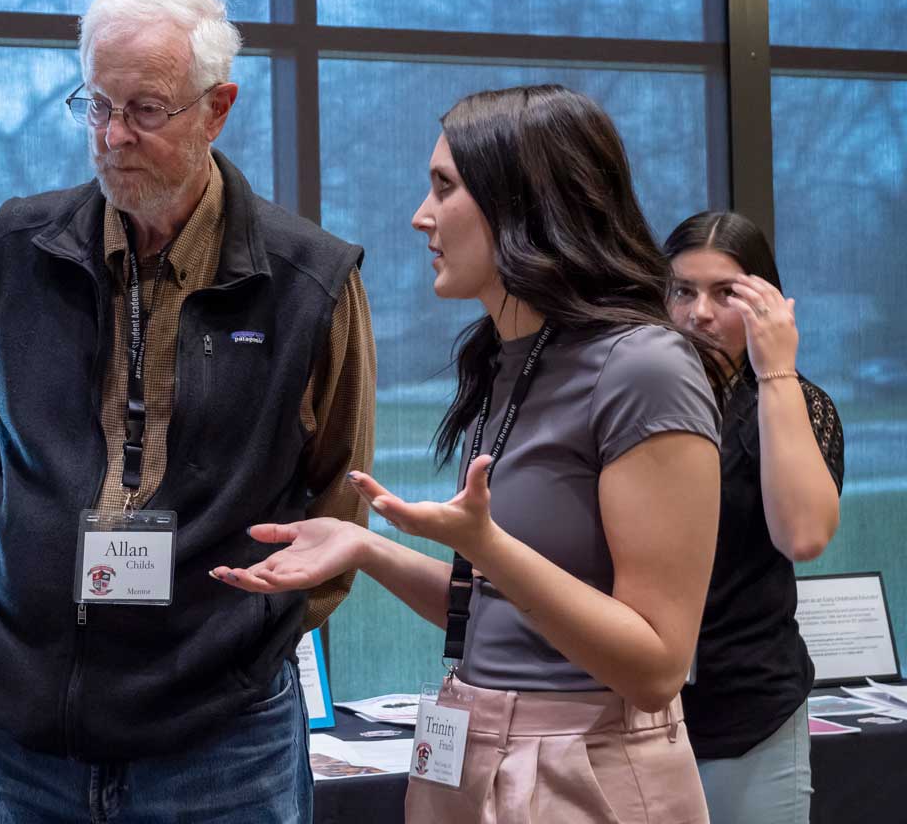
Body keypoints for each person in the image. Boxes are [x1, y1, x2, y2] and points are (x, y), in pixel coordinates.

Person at [0, 0, 376, 824]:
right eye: (96, 106)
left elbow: (339, 494)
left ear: (217, 109)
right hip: (16, 740)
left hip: (220, 746)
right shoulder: (14, 250)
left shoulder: (308, 281)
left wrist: (245, 644)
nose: (112, 136)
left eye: (145, 110)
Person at [214, 84, 724, 823]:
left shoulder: (644, 366)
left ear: (527, 201)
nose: (421, 216)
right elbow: (498, 608)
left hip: (585, 769)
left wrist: (486, 545)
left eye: (445, 187)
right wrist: (367, 547)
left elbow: (656, 666)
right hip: (473, 746)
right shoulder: (507, 357)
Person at [664, 211, 843, 824]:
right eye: (682, 291)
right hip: (635, 706)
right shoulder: (635, 396)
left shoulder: (796, 402)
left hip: (750, 712)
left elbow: (803, 535)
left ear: (764, 301)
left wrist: (776, 368)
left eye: (726, 294)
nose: (700, 313)